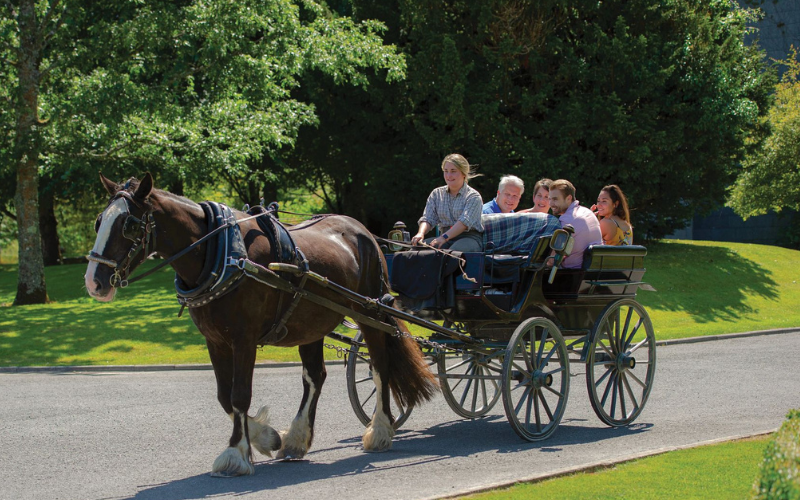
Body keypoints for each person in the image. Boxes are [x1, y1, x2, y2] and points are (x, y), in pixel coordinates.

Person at [411, 153, 484, 252]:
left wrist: (444, 237)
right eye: (446, 171)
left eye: (453, 171)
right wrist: (421, 233)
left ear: (463, 173)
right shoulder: (436, 194)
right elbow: (428, 218)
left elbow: (463, 223)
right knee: (415, 251)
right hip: (444, 237)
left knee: (452, 253)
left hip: (469, 238)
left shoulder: (473, 196)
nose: (449, 175)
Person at [548, 179, 602, 269]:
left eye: (555, 199)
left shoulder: (567, 220)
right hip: (593, 273)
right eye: (549, 199)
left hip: (572, 276)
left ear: (569, 198)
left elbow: (552, 260)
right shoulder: (587, 212)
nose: (551, 204)